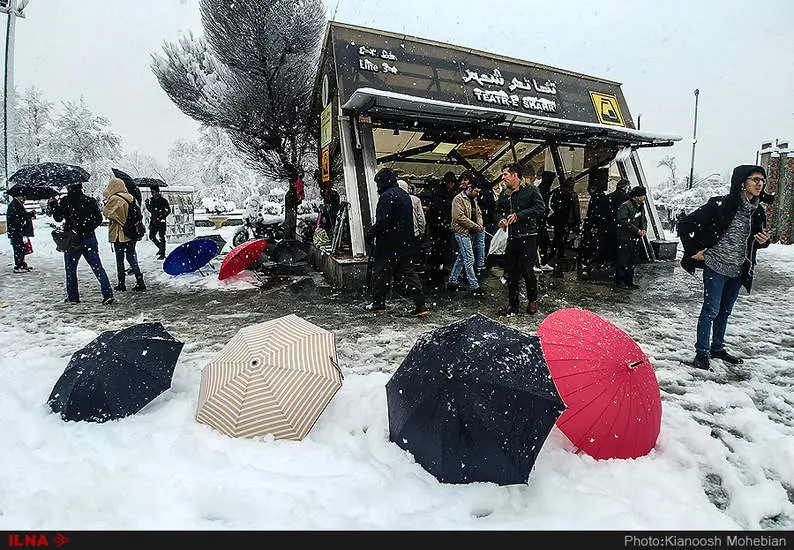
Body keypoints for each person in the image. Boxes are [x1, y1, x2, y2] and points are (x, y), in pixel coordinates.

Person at [677, 165, 772, 371]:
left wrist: (764, 241)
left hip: (739, 270)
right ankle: (701, 352)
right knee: (710, 310)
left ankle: (717, 347)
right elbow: (685, 224)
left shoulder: (758, 211)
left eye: (762, 180)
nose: (759, 184)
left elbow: (757, 240)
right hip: (716, 266)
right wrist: (693, 250)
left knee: (725, 312)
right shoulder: (721, 205)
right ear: (742, 182)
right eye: (755, 179)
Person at [364, 168, 428, 317]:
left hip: (388, 244)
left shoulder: (387, 196)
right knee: (410, 274)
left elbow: (382, 221)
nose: (377, 186)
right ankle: (420, 305)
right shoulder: (405, 195)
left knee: (381, 274)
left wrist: (371, 233)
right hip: (406, 243)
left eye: (378, 183)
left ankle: (378, 303)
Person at [48, 184, 115, 305]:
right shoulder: (89, 201)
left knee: (71, 270)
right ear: (81, 187)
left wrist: (53, 204)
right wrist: (87, 228)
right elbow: (98, 219)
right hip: (89, 239)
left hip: (72, 241)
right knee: (98, 268)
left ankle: (73, 297)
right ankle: (107, 293)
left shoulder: (65, 201)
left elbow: (57, 218)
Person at [496, 163, 545, 316]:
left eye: (505, 174)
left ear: (515, 175)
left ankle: (532, 299)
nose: (503, 178)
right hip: (512, 238)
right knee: (511, 273)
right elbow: (496, 211)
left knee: (527, 272)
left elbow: (540, 208)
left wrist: (519, 215)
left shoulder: (531, 190)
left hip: (528, 238)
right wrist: (500, 220)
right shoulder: (505, 193)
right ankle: (513, 305)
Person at [103, 177, 146, 292]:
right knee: (131, 257)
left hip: (120, 233)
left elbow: (106, 213)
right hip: (131, 232)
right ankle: (139, 280)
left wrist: (107, 202)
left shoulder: (115, 199)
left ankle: (121, 283)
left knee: (120, 259)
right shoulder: (131, 198)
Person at [446, 179, 485, 297]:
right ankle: (474, 286)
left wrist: (479, 224)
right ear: (470, 189)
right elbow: (459, 217)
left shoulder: (473, 200)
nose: (478, 194)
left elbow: (478, 214)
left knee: (462, 258)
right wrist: (475, 225)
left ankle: (452, 281)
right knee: (469, 258)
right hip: (462, 232)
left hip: (469, 232)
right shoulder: (458, 199)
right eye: (476, 191)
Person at [578, 172, 612, 279]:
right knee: (594, 247)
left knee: (590, 246)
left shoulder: (596, 198)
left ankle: (587, 265)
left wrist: (592, 224)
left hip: (593, 225)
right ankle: (590, 265)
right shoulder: (603, 197)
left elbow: (593, 213)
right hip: (598, 226)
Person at [425, 171, 458, 284]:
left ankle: (439, 267)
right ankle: (439, 266)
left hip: (442, 225)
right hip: (440, 225)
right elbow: (438, 209)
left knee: (442, 247)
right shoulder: (444, 194)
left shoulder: (441, 193)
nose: (451, 185)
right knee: (442, 247)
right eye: (449, 182)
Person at [613, 186, 648, 289]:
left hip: (636, 237)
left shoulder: (640, 206)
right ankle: (620, 280)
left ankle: (628, 280)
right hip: (625, 237)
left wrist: (644, 229)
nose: (644, 197)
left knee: (633, 260)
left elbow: (644, 220)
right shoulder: (625, 206)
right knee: (623, 259)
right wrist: (637, 230)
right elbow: (622, 221)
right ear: (636, 196)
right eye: (642, 195)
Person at [547, 177, 581, 276]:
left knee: (557, 236)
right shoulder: (572, 194)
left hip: (558, 218)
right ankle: (560, 254)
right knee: (563, 237)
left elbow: (553, 204)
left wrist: (558, 212)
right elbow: (576, 209)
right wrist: (577, 221)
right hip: (567, 220)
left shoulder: (558, 191)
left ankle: (553, 254)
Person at [398, 179, 426, 267]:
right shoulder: (416, 200)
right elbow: (421, 218)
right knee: (413, 257)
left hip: (400, 235)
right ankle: (415, 270)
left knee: (403, 260)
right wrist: (421, 231)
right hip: (414, 233)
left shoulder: (393, 199)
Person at [6, 191, 36, 273]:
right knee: (18, 248)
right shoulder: (15, 205)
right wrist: (30, 215)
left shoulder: (17, 204)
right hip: (16, 231)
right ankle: (19, 265)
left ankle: (22, 263)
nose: (24, 199)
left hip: (17, 230)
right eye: (23, 197)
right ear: (18, 196)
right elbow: (20, 217)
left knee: (21, 247)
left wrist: (29, 215)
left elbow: (22, 216)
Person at [605, 178, 631, 263]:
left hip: (609, 225)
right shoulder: (627, 199)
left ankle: (609, 261)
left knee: (610, 245)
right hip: (621, 227)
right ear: (625, 188)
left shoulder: (609, 197)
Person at [535, 170, 556, 268]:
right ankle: (537, 263)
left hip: (541, 219)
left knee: (543, 242)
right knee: (539, 242)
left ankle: (542, 262)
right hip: (539, 220)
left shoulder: (544, 189)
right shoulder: (543, 189)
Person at [145, 185, 172, 259]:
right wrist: (147, 204)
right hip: (153, 221)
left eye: (153, 192)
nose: (152, 193)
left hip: (161, 222)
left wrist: (162, 217)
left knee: (161, 237)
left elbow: (168, 210)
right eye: (151, 192)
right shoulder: (152, 200)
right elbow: (151, 210)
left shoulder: (163, 201)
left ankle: (162, 253)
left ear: (157, 192)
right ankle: (161, 248)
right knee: (151, 236)